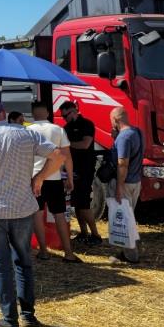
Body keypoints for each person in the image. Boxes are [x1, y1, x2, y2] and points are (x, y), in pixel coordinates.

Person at [0, 95, 64, 327]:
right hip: (23, 208)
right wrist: (39, 178)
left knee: (0, 264)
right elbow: (59, 156)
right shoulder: (26, 134)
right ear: (4, 113)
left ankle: (9, 319)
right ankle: (28, 315)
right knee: (23, 261)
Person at [27, 101, 80, 263]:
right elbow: (67, 157)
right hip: (54, 179)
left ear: (33, 114)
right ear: (48, 114)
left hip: (34, 178)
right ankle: (68, 253)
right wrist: (69, 177)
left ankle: (43, 251)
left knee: (37, 214)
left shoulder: (27, 131)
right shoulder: (58, 129)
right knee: (59, 215)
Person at [60, 101, 101, 246]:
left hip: (85, 168)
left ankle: (95, 234)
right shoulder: (66, 128)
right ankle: (83, 233)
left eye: (65, 116)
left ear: (73, 111)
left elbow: (85, 144)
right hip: (72, 169)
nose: (64, 119)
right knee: (76, 203)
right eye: (62, 116)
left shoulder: (87, 124)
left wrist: (67, 145)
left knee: (84, 203)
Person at [107, 107, 144, 264]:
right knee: (129, 216)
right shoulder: (137, 132)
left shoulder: (124, 137)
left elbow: (122, 163)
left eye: (111, 120)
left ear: (116, 119)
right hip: (135, 181)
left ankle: (131, 256)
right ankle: (128, 250)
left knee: (124, 220)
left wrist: (119, 187)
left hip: (125, 183)